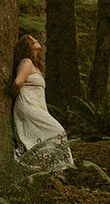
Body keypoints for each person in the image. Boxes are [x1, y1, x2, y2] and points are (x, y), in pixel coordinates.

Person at [10, 34, 74, 170]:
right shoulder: (26, 61)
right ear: (27, 46)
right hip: (27, 106)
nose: (36, 40)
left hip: (36, 107)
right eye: (32, 40)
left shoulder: (36, 66)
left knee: (46, 136)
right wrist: (17, 98)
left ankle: (42, 169)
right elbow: (17, 83)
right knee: (58, 131)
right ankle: (49, 168)